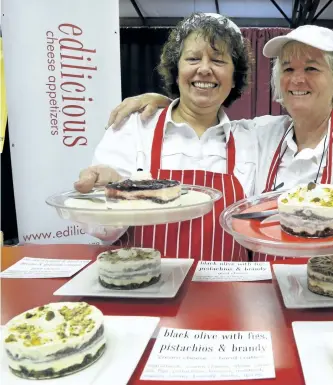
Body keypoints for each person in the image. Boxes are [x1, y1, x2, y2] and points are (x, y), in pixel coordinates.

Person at [105, 24, 333, 266]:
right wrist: (168, 103)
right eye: (288, 69)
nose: (297, 79)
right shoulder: (260, 134)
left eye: (311, 68)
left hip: (331, 293)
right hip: (260, 292)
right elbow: (198, 112)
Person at [74, 13, 256, 261]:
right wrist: (116, 196)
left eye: (218, 60)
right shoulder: (133, 128)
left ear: (235, 77)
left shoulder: (253, 139)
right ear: (176, 69)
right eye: (192, 58)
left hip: (227, 292)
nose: (204, 69)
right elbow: (100, 231)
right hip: (143, 288)